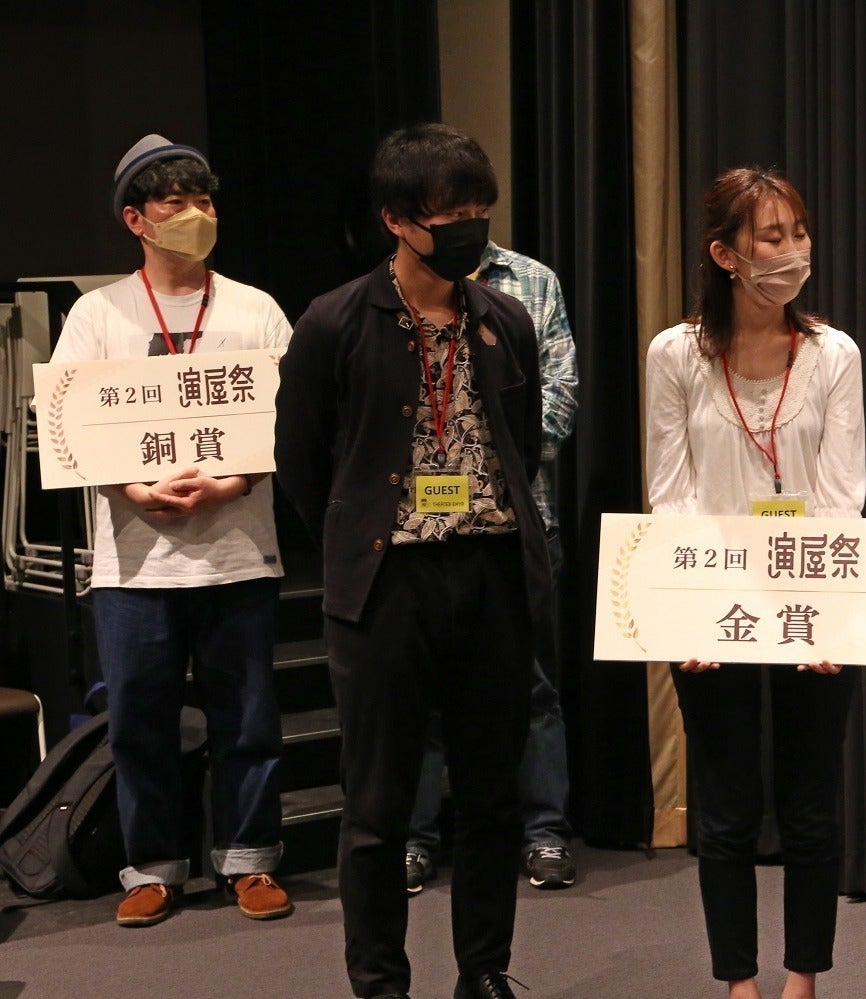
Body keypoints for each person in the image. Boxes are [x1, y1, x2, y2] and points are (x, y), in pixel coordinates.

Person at [275, 123, 547, 999]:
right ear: (396, 220)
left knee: (492, 796)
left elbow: (523, 443)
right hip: (387, 583)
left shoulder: (503, 319)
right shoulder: (335, 322)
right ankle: (381, 983)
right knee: (378, 805)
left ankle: (484, 970)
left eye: (478, 211)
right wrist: (361, 534)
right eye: (449, 215)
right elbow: (301, 461)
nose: (469, 228)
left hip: (491, 574)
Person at [49, 134, 293, 928]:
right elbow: (66, 421)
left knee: (247, 718)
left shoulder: (255, 308)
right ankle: (153, 867)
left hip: (237, 549)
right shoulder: (98, 314)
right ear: (136, 219)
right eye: (176, 202)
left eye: (205, 200)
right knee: (140, 722)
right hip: (134, 561)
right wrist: (132, 486)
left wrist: (232, 481)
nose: (196, 214)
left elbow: (291, 416)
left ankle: (250, 860)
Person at [645, 167, 865, 999]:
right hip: (715, 599)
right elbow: (671, 491)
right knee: (727, 807)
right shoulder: (676, 353)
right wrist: (690, 617)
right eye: (772, 237)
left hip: (811, 594)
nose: (793, 251)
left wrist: (828, 619)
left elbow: (842, 493)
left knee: (810, 804)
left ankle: (802, 977)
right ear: (725, 254)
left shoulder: (834, 353)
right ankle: (738, 981)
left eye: (798, 233)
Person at [405, 239, 579, 894]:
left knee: (532, 687)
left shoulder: (532, 282)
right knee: (419, 693)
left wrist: (490, 451)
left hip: (518, 520)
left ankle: (544, 833)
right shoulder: (387, 291)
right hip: (417, 527)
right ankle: (414, 840)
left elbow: (560, 396)